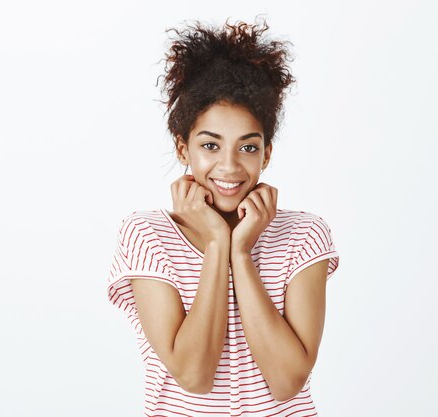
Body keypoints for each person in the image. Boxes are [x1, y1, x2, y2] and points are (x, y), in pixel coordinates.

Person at [106, 17, 340, 417]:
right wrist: (217, 243)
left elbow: (287, 381)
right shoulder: (147, 235)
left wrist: (243, 254)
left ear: (267, 153)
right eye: (210, 145)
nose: (229, 167)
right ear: (183, 149)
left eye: (247, 148)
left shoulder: (303, 235)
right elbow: (194, 375)